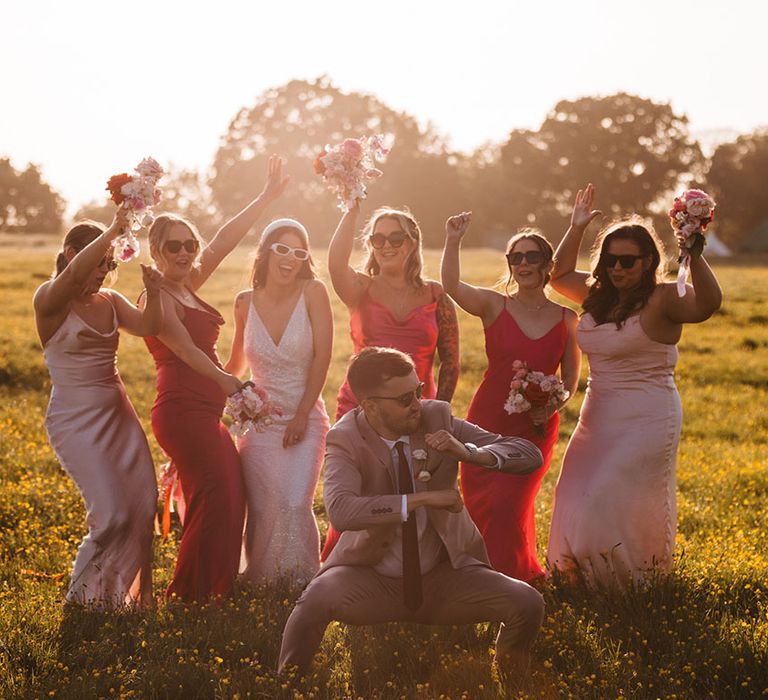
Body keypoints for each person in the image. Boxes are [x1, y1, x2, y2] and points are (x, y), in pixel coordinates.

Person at [278, 347, 545, 678]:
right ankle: (286, 683)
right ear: (371, 406)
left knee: (527, 602)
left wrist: (469, 452)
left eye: (418, 391)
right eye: (405, 399)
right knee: (316, 599)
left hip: (443, 577)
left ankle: (510, 681)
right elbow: (341, 511)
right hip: (373, 578)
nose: (417, 403)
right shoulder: (345, 438)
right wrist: (422, 500)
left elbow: (528, 454)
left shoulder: (437, 417)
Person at [546, 184, 722, 589]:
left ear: (647, 262)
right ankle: (577, 579)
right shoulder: (595, 296)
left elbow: (708, 304)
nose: (617, 268)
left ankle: (632, 584)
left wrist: (693, 251)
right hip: (597, 415)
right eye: (610, 260)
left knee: (612, 493)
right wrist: (575, 228)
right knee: (574, 493)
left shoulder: (664, 299)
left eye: (627, 261)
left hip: (648, 415)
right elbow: (556, 276)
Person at [143, 155, 289, 602]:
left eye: (189, 244)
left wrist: (265, 198)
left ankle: (209, 588)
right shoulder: (159, 296)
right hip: (182, 412)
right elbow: (185, 350)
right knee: (220, 494)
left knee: (224, 494)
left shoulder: (188, 283)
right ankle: (195, 594)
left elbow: (225, 238)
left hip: (205, 412)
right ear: (156, 252)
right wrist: (233, 384)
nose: (185, 253)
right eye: (174, 247)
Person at [441, 212, 580, 582]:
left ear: (547, 264)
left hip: (534, 427)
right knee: (482, 500)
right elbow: (452, 285)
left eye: (531, 256)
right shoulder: (493, 305)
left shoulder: (567, 318)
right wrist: (453, 239)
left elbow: (571, 381)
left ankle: (512, 578)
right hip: (487, 419)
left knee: (510, 504)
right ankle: (477, 574)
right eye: (515, 257)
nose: (522, 264)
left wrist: (547, 408)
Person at [33, 210, 162, 608]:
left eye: (110, 264)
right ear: (73, 254)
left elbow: (148, 327)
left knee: (141, 506)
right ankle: (84, 602)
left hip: (119, 418)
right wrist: (114, 227)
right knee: (110, 515)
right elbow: (72, 278)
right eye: (101, 263)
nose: (105, 272)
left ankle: (127, 601)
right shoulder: (50, 298)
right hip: (75, 421)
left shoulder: (110, 301)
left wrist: (153, 290)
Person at [321, 203, 460, 559]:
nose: (386, 244)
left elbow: (450, 361)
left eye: (395, 237)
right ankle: (346, 568)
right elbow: (335, 265)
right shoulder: (361, 289)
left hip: (415, 410)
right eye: (377, 238)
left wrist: (436, 412)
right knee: (363, 490)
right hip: (361, 407)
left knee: (414, 490)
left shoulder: (436, 295)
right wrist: (351, 208)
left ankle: (413, 569)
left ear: (412, 242)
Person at [225, 218, 332, 585]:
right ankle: (260, 581)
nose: (290, 258)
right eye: (282, 248)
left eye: (299, 252)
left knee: (294, 502)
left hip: (306, 417)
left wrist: (303, 414)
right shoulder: (244, 302)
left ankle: (299, 581)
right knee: (264, 506)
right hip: (259, 423)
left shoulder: (313, 292)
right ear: (266, 251)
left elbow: (322, 357)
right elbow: (235, 364)